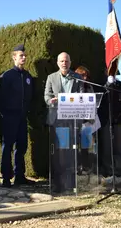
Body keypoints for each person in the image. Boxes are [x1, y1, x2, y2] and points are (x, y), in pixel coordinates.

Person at [44, 52, 83, 193]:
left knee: (70, 151)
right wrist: (50, 101)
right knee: (59, 152)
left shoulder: (77, 77)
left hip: (72, 120)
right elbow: (46, 95)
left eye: (66, 61)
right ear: (57, 63)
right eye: (61, 61)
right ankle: (57, 183)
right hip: (57, 120)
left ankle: (70, 183)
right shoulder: (51, 77)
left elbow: (81, 96)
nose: (64, 63)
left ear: (70, 62)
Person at [0, 44, 34, 187]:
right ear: (14, 57)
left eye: (25, 55)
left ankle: (19, 176)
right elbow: (0, 97)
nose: (24, 58)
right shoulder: (7, 76)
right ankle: (6, 178)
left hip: (22, 117)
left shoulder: (27, 76)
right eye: (21, 55)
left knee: (22, 146)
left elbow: (30, 96)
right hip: (9, 117)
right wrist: (5, 113)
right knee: (7, 147)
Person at [99, 73, 121, 175]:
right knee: (106, 147)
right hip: (105, 120)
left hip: (119, 120)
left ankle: (118, 171)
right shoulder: (102, 85)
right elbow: (101, 101)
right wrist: (108, 84)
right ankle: (107, 171)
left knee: (118, 146)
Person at [74, 66, 95, 174]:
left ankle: (86, 167)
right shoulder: (74, 86)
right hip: (76, 120)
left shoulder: (90, 87)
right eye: (83, 75)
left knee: (85, 147)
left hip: (87, 121)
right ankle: (76, 168)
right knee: (75, 146)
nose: (85, 78)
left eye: (86, 75)